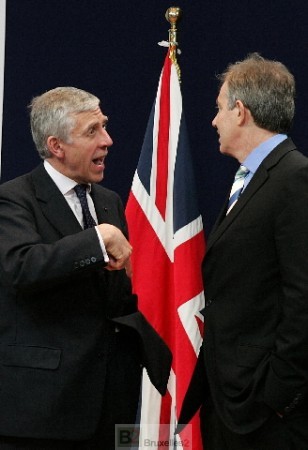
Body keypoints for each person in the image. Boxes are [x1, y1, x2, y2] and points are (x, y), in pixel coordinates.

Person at [0, 87, 171, 449]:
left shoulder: (108, 201)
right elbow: (21, 267)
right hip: (44, 413)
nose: (108, 140)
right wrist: (97, 239)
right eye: (92, 131)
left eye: (105, 127)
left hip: (111, 406)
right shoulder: (14, 199)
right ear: (56, 146)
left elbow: (115, 297)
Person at [178, 53, 308, 449]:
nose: (214, 120)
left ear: (240, 111)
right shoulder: (251, 179)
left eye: (219, 109)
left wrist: (278, 395)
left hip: (265, 412)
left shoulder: (295, 178)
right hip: (230, 399)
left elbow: (303, 296)